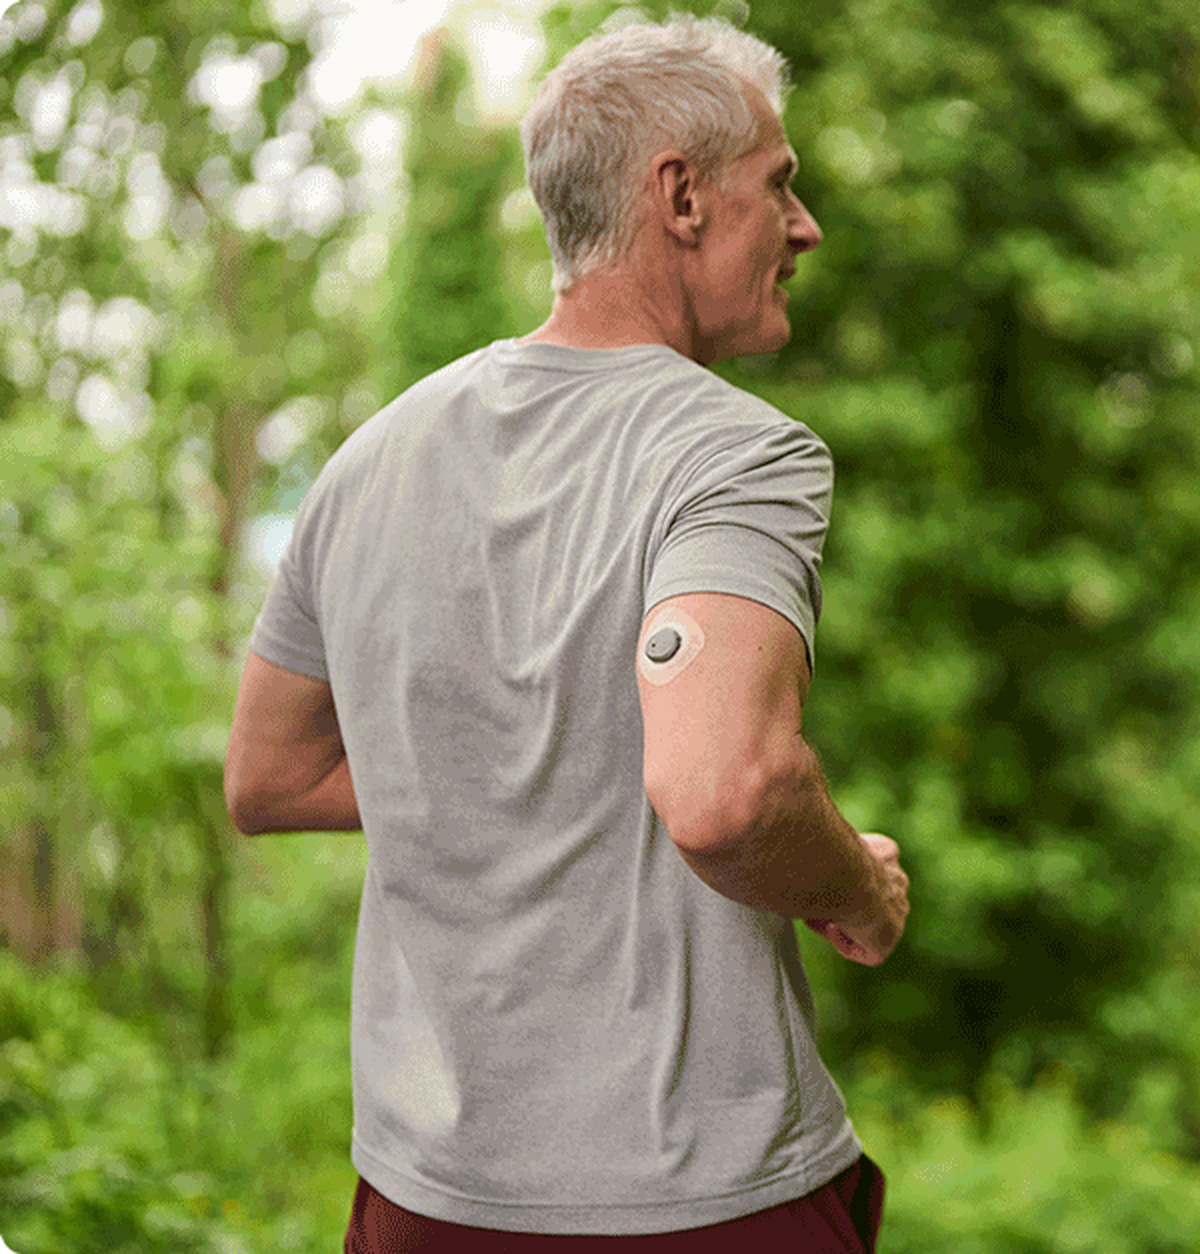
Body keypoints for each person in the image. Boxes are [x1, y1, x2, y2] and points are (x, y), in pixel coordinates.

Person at [223, 14, 909, 1251]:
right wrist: (855, 884)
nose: (803, 227)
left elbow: (268, 777)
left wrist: (526, 781)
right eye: (779, 184)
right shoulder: (737, 453)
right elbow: (726, 795)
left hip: (418, 1204)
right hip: (693, 1208)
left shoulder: (371, 456)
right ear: (682, 197)